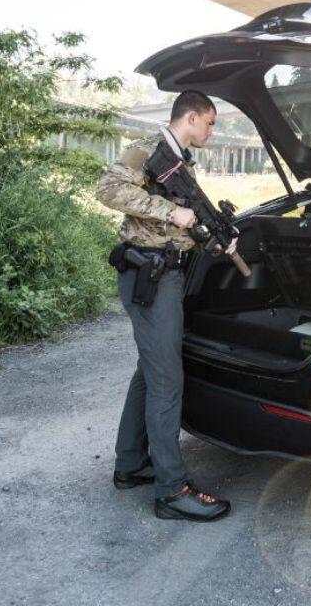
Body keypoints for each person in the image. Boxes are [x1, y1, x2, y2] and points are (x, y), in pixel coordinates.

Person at [95, 89, 233, 521]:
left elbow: (185, 221)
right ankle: (172, 491)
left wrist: (217, 236)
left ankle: (132, 463)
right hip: (149, 278)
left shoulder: (180, 162)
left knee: (149, 372)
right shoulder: (146, 150)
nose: (212, 130)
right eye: (210, 122)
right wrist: (169, 213)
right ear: (191, 118)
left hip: (164, 274)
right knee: (167, 380)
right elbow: (108, 189)